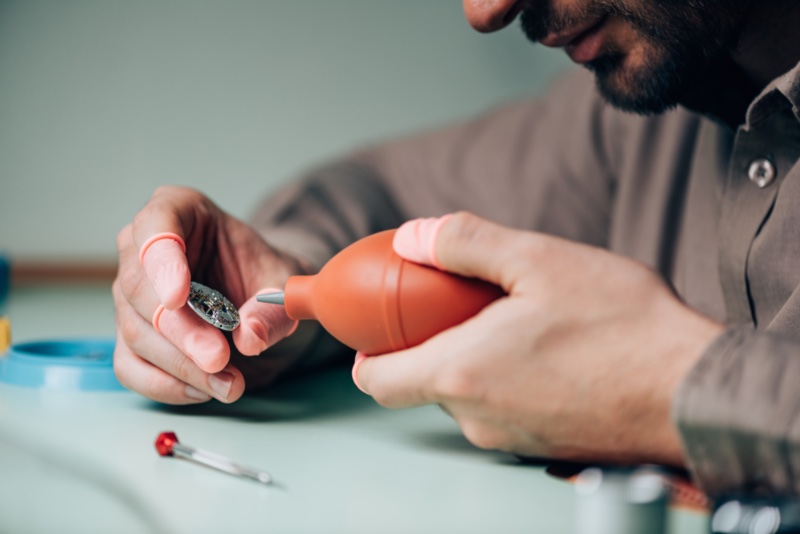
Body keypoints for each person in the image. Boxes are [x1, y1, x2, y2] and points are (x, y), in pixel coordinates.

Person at [113, 0, 800, 498]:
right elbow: (379, 187)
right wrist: (285, 276)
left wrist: (679, 388)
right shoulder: (637, 118)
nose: (485, 11)